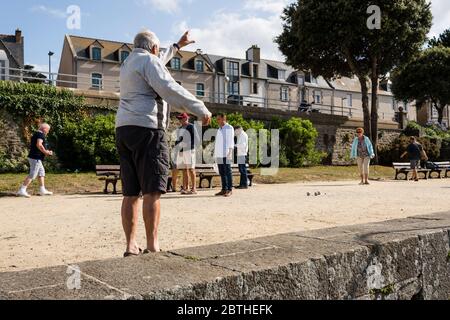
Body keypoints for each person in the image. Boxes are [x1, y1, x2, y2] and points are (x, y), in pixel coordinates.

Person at [115, 30, 212, 257]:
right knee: (152, 191)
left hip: (124, 129)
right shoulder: (150, 61)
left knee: (130, 192)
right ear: (154, 49)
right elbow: (169, 88)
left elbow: (157, 60)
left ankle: (130, 245)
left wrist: (177, 46)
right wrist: (200, 108)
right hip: (148, 130)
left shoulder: (129, 63)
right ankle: (152, 245)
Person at [17, 123, 54, 198]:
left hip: (36, 158)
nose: (48, 132)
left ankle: (42, 190)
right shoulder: (40, 134)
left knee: (41, 172)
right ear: (44, 129)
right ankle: (22, 190)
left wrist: (46, 151)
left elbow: (39, 145)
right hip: (35, 158)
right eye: (48, 130)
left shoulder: (37, 134)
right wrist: (46, 152)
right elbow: (39, 145)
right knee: (33, 174)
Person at [174, 113, 199, 195]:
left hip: (190, 150)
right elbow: (178, 141)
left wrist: (187, 145)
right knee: (184, 170)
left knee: (191, 169)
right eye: (179, 118)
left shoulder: (191, 126)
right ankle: (185, 188)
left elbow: (196, 139)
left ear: (185, 118)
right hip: (182, 151)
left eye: (181, 118)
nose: (179, 120)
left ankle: (194, 188)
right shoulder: (180, 128)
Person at [214, 114, 235, 197]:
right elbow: (217, 142)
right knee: (222, 172)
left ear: (223, 119)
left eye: (219, 119)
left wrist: (230, 153)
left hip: (226, 153)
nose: (217, 121)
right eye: (217, 119)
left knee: (228, 172)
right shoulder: (219, 129)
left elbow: (231, 141)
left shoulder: (229, 128)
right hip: (219, 154)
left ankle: (229, 189)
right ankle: (224, 189)